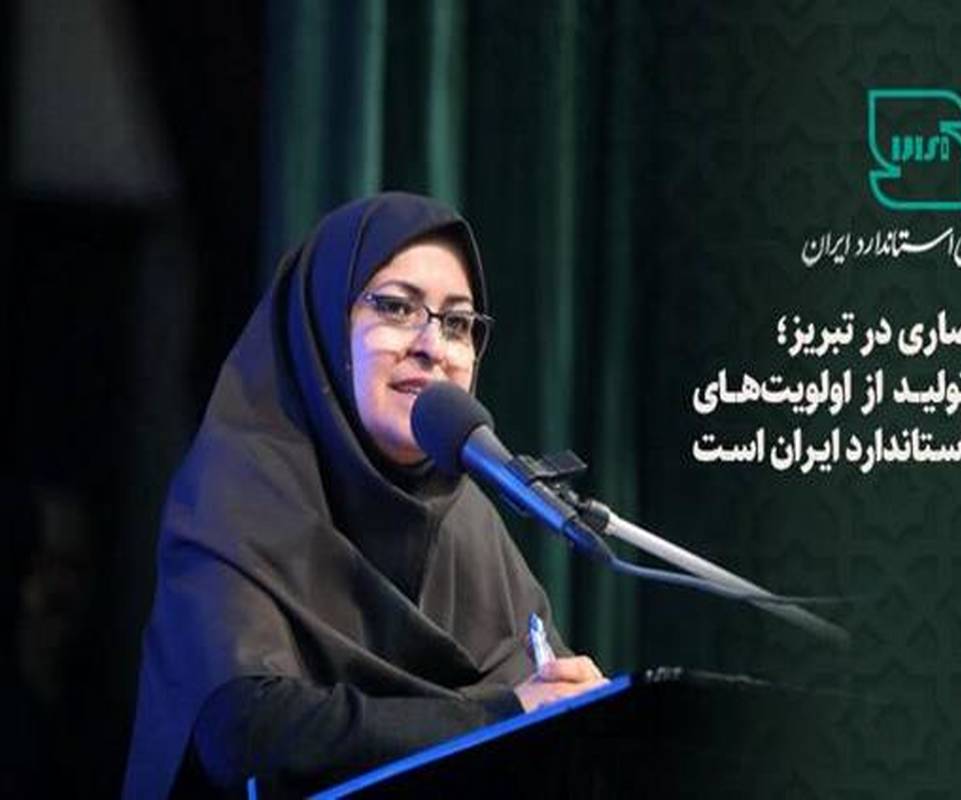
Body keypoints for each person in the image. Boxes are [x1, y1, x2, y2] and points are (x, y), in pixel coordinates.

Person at [123, 193, 606, 798]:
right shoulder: (240, 487)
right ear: (326, 327)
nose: (433, 346)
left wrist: (586, 712)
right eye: (398, 308)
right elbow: (244, 727)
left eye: (458, 324)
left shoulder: (469, 523)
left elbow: (544, 704)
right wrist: (495, 717)